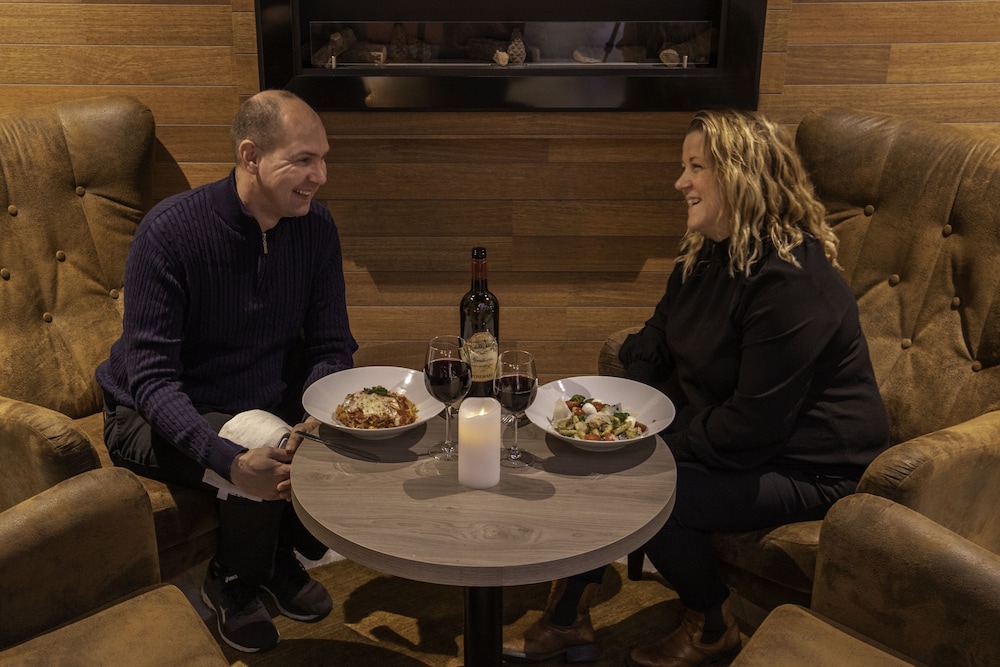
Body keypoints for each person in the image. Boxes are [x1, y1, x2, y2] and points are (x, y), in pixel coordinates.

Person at [502, 109, 891, 666]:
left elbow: (753, 426)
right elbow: (655, 338)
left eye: (696, 167)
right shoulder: (707, 253)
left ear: (741, 176)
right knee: (590, 459)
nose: (680, 182)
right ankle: (567, 620)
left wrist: (643, 441)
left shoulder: (793, 281)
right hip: (743, 436)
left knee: (651, 492)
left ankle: (712, 625)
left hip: (812, 465)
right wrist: (607, 420)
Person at [96, 89, 358, 653]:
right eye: (303, 160)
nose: (320, 176)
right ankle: (232, 579)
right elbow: (152, 381)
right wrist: (229, 463)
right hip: (150, 415)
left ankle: (275, 557)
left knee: (326, 427)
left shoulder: (315, 227)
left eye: (322, 158)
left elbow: (332, 345)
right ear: (250, 156)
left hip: (259, 397)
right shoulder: (170, 233)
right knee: (262, 438)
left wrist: (319, 411)